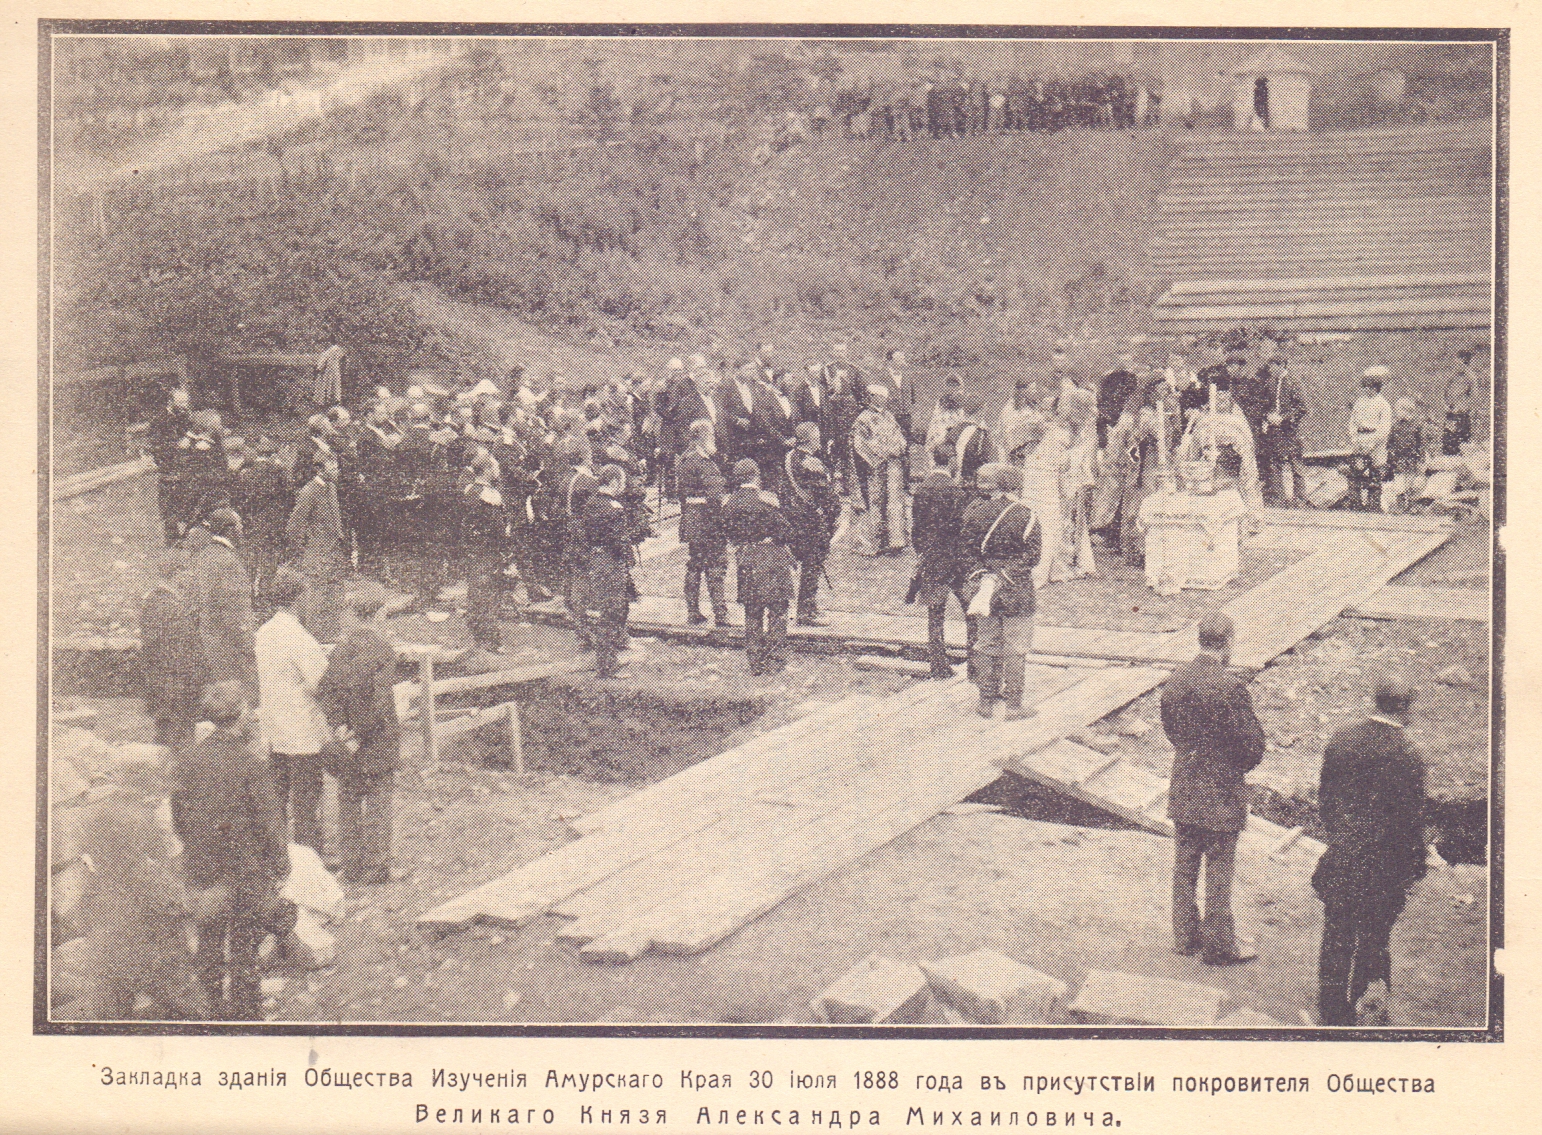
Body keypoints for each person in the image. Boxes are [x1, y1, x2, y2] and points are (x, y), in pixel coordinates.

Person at [1313, 673, 1428, 1027]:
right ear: (1404, 708)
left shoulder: (1342, 739)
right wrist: (1415, 866)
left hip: (1344, 856)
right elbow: (1411, 821)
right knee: (1375, 936)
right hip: (1384, 865)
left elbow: (1326, 800)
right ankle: (1367, 1003)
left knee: (1337, 932)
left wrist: (1339, 839)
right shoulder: (1409, 754)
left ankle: (1332, 1007)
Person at [171, 681, 289, 1021]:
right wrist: (280, 863)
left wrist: (197, 848)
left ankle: (209, 1009)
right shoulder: (250, 763)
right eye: (248, 708)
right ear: (241, 715)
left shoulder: (188, 759)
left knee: (208, 939)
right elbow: (270, 822)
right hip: (243, 868)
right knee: (244, 945)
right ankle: (245, 1014)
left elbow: (179, 816)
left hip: (202, 866)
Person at [1160, 611, 1265, 966]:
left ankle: (1185, 937)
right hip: (1220, 792)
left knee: (1185, 864)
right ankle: (1219, 945)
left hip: (1185, 785)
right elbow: (1252, 745)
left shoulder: (1176, 679)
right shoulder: (1231, 687)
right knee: (1219, 869)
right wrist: (1233, 767)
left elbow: (1172, 732)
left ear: (1200, 640)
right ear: (1229, 642)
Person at [318, 584, 403, 885]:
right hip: (376, 740)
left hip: (347, 742)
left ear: (354, 614)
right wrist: (361, 733)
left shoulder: (341, 650)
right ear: (378, 615)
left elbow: (326, 691)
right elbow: (380, 701)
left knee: (349, 802)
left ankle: (351, 867)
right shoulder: (383, 651)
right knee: (379, 803)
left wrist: (341, 727)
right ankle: (377, 867)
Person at [253, 567, 333, 857]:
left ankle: (276, 857)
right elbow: (321, 683)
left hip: (273, 730)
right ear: (299, 598)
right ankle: (308, 861)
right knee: (306, 804)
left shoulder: (263, 633)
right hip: (302, 733)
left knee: (277, 799)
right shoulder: (300, 638)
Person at [960, 463, 1040, 720]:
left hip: (985, 590)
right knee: (1016, 648)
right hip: (1016, 589)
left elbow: (966, 553)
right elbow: (1033, 556)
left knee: (986, 644)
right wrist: (1003, 576)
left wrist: (984, 578)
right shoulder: (1026, 514)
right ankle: (1014, 707)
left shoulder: (973, 513)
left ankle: (985, 702)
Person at [722, 459, 796, 676]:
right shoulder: (767, 501)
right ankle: (775, 661)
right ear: (756, 477)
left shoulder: (729, 504)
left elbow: (726, 530)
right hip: (771, 556)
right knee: (777, 610)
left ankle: (755, 662)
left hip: (746, 558)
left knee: (752, 611)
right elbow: (786, 531)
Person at [910, 443, 973, 680]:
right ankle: (975, 663)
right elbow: (962, 529)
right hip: (955, 561)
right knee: (971, 611)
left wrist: (923, 553)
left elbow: (916, 529)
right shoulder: (956, 492)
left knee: (935, 614)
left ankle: (938, 665)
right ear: (952, 460)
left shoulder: (921, 489)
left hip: (932, 559)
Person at [186, 508, 257, 697]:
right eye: (240, 526)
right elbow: (235, 613)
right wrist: (248, 647)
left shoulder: (204, 556)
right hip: (228, 649)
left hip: (208, 644)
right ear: (230, 530)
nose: (242, 531)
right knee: (237, 701)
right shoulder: (228, 561)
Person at [139, 549, 204, 751]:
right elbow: (180, 654)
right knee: (179, 746)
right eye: (187, 571)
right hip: (176, 689)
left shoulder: (153, 600)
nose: (190, 577)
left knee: (166, 742)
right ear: (176, 573)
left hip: (163, 686)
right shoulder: (170, 606)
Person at [676, 419, 733, 628]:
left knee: (695, 564)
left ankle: (692, 611)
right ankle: (721, 614)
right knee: (716, 565)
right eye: (712, 436)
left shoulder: (684, 459)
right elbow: (715, 496)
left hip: (692, 519)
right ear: (703, 437)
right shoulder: (702, 461)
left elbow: (681, 493)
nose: (714, 440)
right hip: (708, 520)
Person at [783, 422, 840, 627]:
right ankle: (806, 611)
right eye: (817, 437)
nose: (819, 440)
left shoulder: (789, 457)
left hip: (794, 518)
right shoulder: (812, 463)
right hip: (812, 521)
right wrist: (834, 515)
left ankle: (807, 607)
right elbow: (826, 496)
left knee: (809, 564)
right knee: (812, 565)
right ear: (810, 439)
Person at [581, 465, 634, 679]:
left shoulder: (590, 504)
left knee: (605, 610)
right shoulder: (614, 507)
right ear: (613, 482)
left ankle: (605, 660)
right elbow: (619, 541)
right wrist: (628, 558)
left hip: (596, 559)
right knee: (612, 612)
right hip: (611, 562)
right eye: (621, 482)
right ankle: (607, 665)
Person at [286, 456, 347, 644]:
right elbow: (294, 525)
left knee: (333, 592)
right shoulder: (309, 491)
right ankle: (313, 637)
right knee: (316, 593)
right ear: (319, 470)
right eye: (332, 467)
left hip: (333, 550)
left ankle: (330, 633)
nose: (337, 471)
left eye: (337, 466)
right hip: (317, 552)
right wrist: (304, 550)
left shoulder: (331, 488)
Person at [852, 385, 909, 556]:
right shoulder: (863, 418)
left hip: (893, 466)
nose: (884, 400)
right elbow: (859, 445)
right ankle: (876, 542)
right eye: (880, 396)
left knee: (894, 503)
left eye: (885, 397)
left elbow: (899, 436)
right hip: (876, 468)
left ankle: (895, 541)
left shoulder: (889, 416)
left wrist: (899, 448)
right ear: (872, 397)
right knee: (877, 502)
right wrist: (879, 456)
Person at [461, 451, 509, 653]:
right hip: (488, 551)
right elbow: (498, 527)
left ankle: (477, 634)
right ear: (487, 470)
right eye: (494, 467)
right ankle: (492, 639)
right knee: (489, 594)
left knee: (475, 592)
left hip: (472, 549)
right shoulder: (490, 495)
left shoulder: (468, 489)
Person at [1049, 388, 1099, 582]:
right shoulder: (1063, 431)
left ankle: (1074, 560)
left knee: (1075, 521)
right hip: (1065, 479)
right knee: (1066, 521)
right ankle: (1063, 564)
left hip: (1076, 478)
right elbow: (1063, 460)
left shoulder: (1081, 429)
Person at [1244, 355, 1308, 507]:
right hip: (1274, 430)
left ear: (1282, 365)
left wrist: (1284, 418)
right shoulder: (1270, 383)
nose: (1271, 369)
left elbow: (1302, 408)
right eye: (1270, 366)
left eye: (1273, 366)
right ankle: (1279, 499)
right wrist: (1267, 416)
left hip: (1291, 430)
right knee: (1275, 463)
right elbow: (1263, 405)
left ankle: (1300, 499)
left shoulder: (1294, 382)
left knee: (1295, 463)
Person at [147, 386, 193, 544]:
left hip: (185, 465)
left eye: (186, 402)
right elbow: (155, 446)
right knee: (170, 504)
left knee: (187, 500)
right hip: (169, 466)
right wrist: (177, 446)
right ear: (171, 402)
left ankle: (189, 535)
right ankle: (172, 538)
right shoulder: (159, 420)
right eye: (181, 402)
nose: (185, 405)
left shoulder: (184, 417)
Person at [1349, 368, 1394, 511]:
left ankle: (1374, 505)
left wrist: (1373, 443)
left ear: (1376, 388)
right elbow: (1352, 422)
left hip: (1375, 442)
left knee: (1375, 474)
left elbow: (1384, 429)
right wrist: (1354, 438)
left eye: (1370, 387)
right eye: (1365, 387)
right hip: (1360, 439)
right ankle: (1355, 504)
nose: (1367, 390)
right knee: (1356, 472)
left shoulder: (1383, 405)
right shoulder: (1359, 402)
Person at [1383, 398, 1426, 515]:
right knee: (1399, 483)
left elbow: (1421, 444)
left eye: (1400, 410)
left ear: (1408, 411)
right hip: (1398, 459)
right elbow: (1389, 443)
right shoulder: (1395, 426)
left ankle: (1412, 505)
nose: (1398, 413)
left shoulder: (1416, 426)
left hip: (1412, 458)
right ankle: (1400, 505)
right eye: (1397, 411)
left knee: (1411, 482)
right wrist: (1390, 456)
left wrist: (1421, 459)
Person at [946, 394, 996, 492]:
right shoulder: (981, 434)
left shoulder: (951, 431)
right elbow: (987, 465)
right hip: (973, 487)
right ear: (981, 411)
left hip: (951, 485)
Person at [1443, 349, 1479, 457]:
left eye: (1457, 360)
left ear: (1463, 361)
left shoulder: (1470, 377)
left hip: (1461, 414)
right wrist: (1445, 405)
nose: (1455, 363)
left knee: (1462, 441)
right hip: (1450, 413)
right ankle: (1449, 456)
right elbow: (1445, 390)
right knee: (1448, 440)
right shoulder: (1453, 376)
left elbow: (1473, 398)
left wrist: (1462, 407)